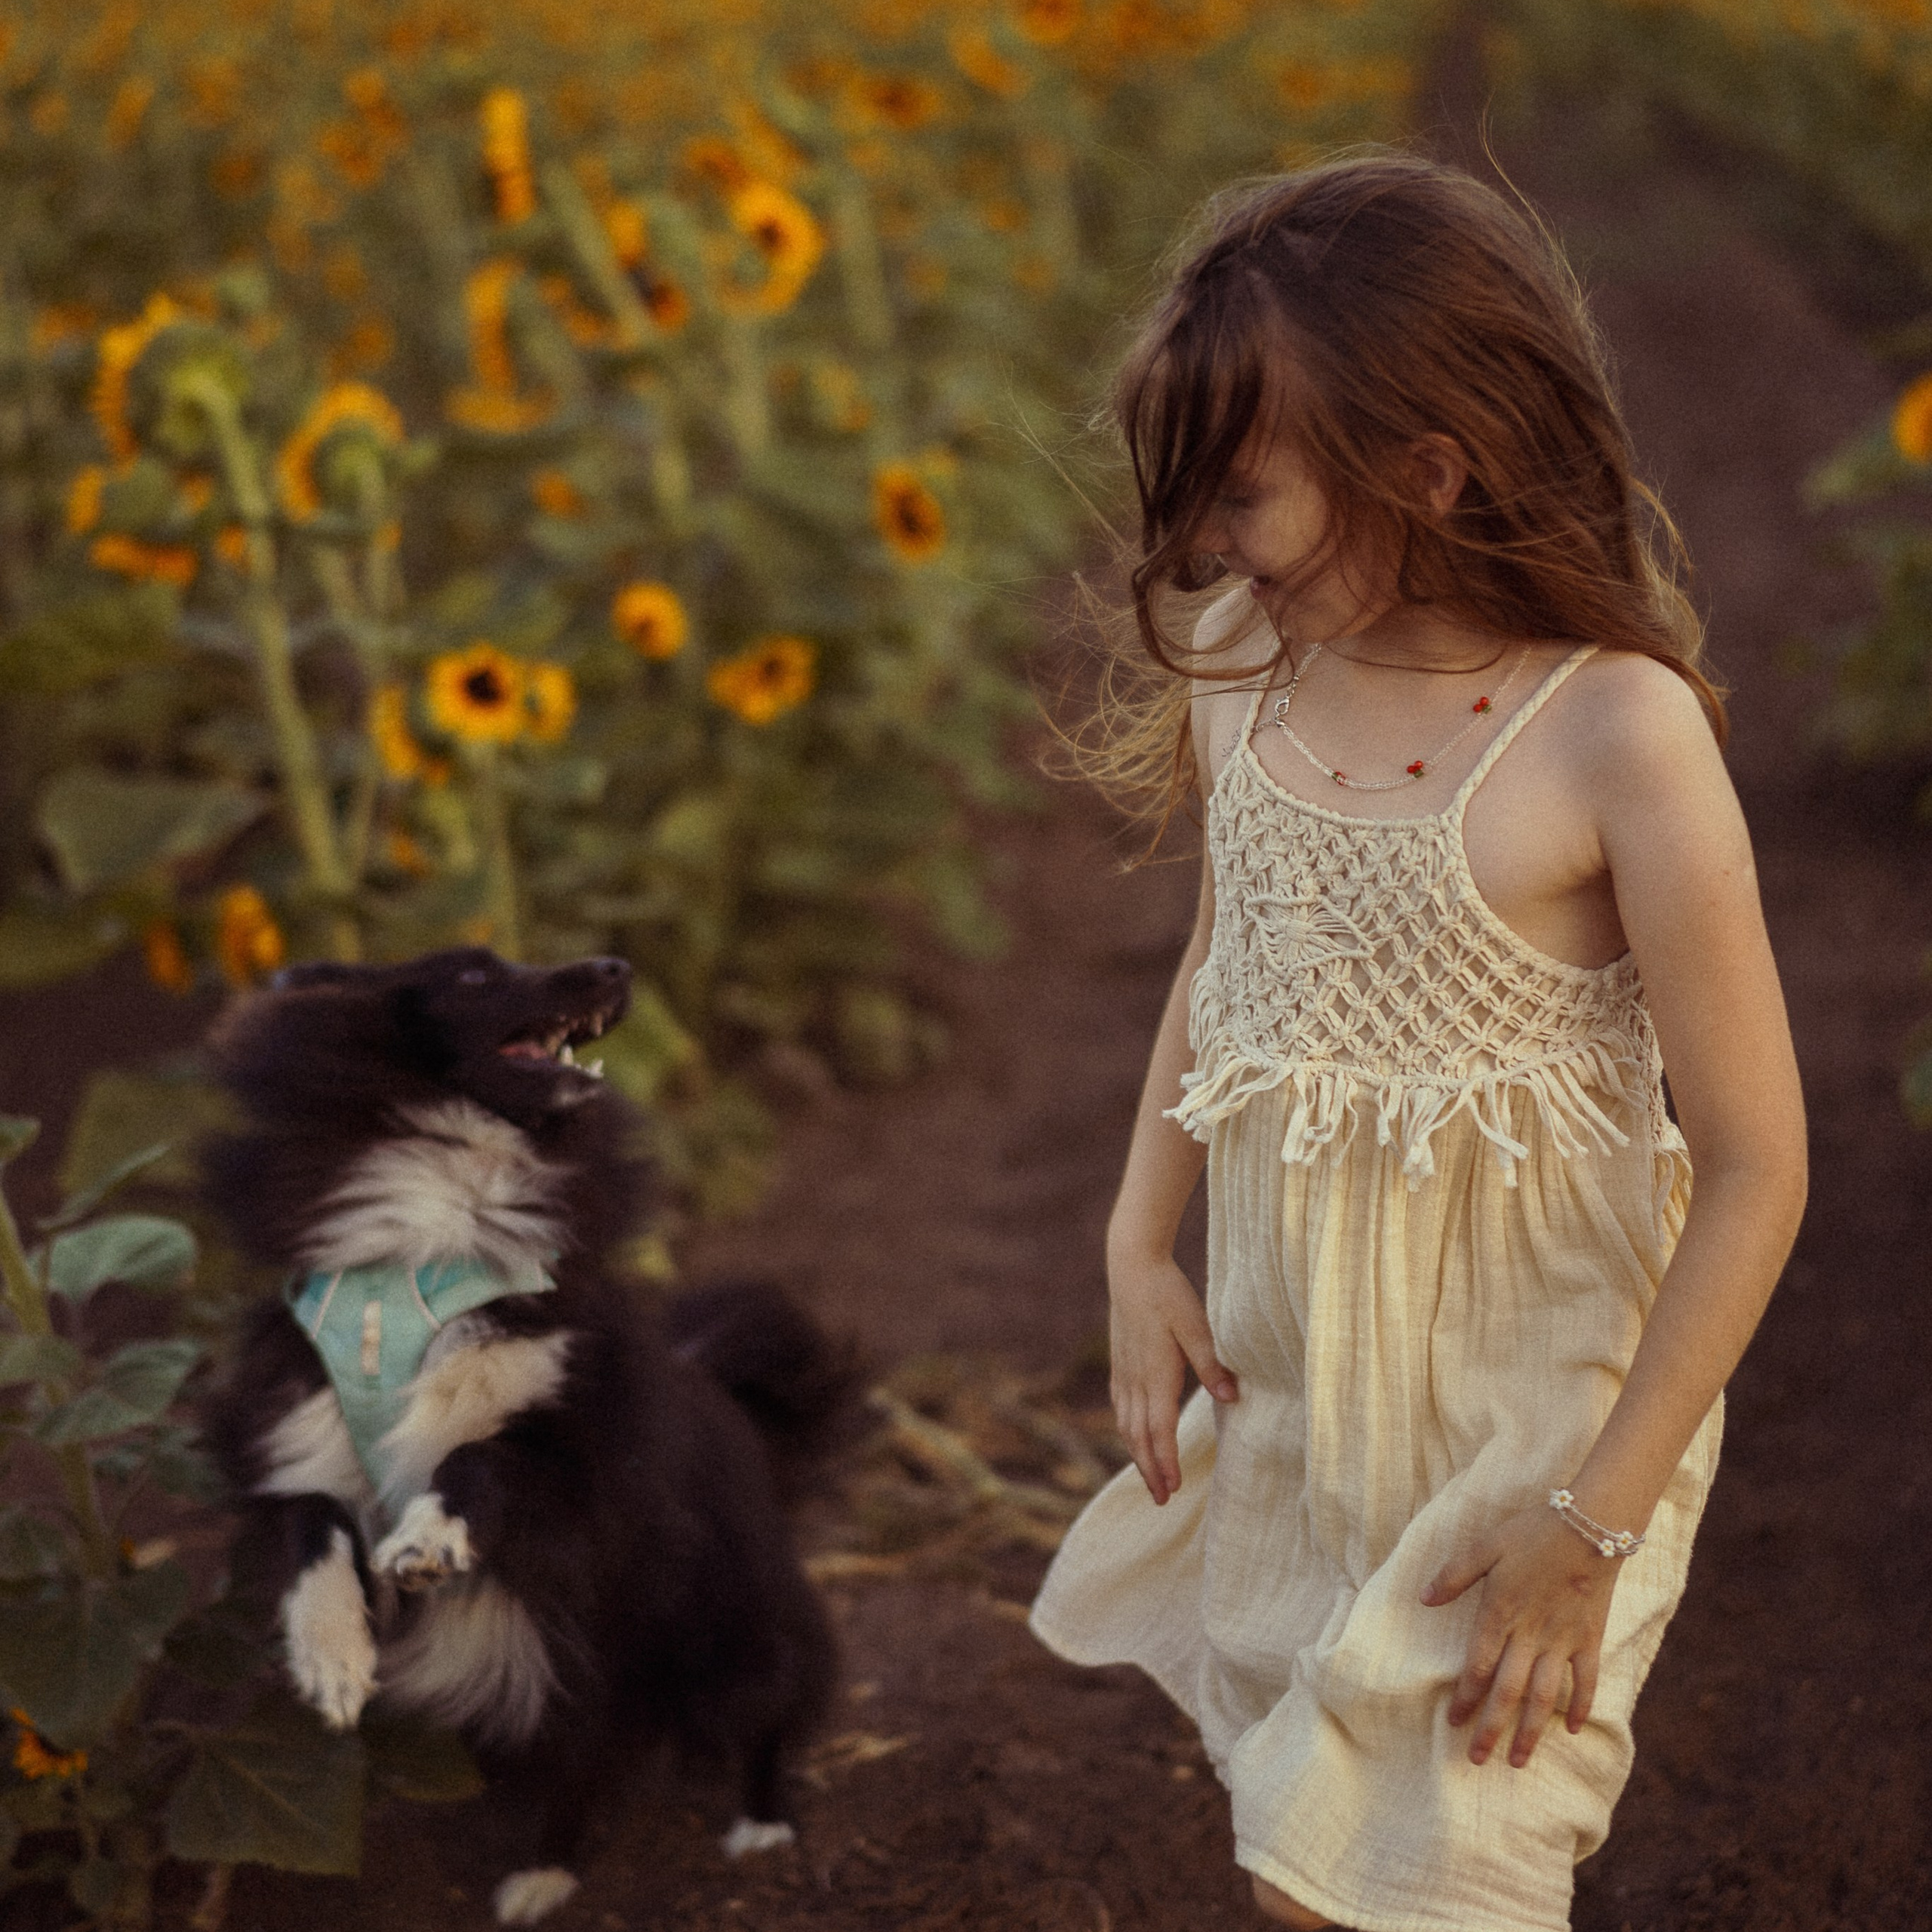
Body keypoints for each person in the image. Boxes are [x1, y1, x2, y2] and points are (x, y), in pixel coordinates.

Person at [1027, 153, 1807, 1932]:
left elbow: (1759, 1162)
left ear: (1427, 472)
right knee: (1301, 1826)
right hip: (1298, 1379)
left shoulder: (1615, 739)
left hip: (1530, 1433)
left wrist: (1593, 1523)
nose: (1204, 547)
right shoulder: (1254, 662)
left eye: (1242, 495)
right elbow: (1231, 952)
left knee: (1373, 1879)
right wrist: (1136, 1239)